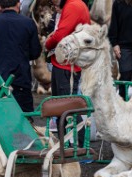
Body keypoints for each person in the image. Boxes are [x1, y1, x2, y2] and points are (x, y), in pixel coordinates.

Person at [0, 0, 42, 113]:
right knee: (23, 119)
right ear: (18, 4)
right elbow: (35, 52)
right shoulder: (28, 23)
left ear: (0, 6)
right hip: (19, 79)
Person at [45, 0, 90, 145]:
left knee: (67, 107)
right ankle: (66, 144)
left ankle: (80, 146)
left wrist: (47, 42)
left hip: (67, 65)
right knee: (62, 107)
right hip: (64, 63)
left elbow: (60, 34)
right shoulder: (74, 5)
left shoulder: (73, 5)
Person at [108, 0, 132, 100]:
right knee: (125, 76)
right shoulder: (118, 3)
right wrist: (114, 44)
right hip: (124, 46)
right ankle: (123, 102)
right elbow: (113, 25)